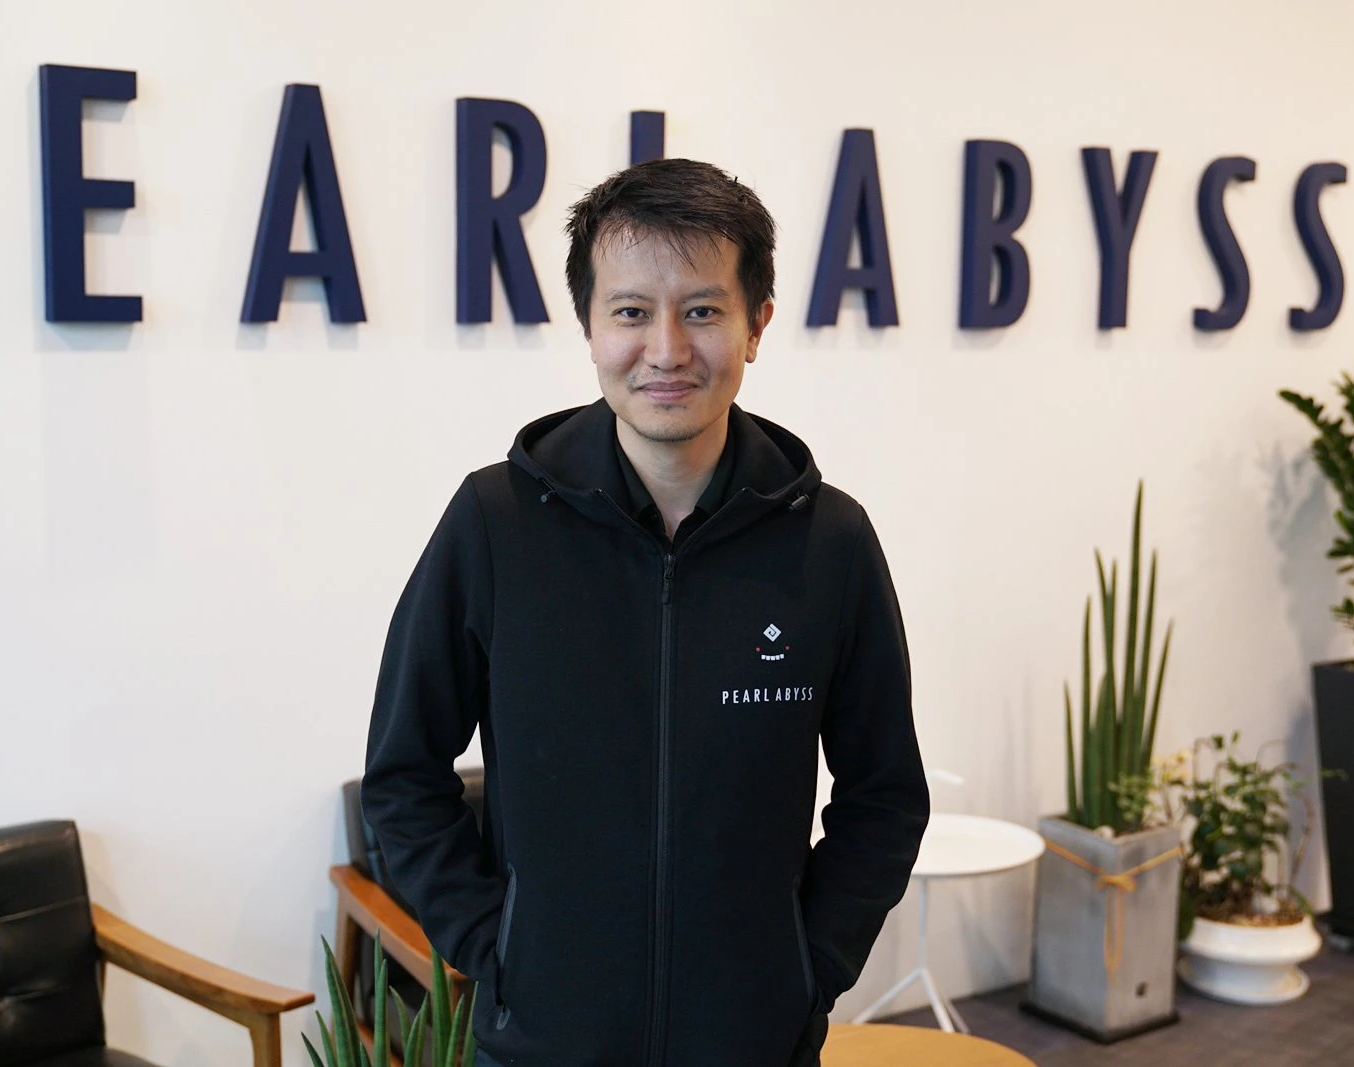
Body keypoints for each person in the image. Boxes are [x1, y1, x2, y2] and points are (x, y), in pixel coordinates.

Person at [360, 158, 928, 1067]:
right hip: (541, 1047)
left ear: (756, 325)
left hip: (755, 1046)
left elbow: (885, 794)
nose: (666, 350)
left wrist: (808, 965)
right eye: (631, 312)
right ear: (588, 326)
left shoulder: (831, 541)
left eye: (702, 311)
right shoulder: (495, 524)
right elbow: (402, 774)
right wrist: (495, 951)